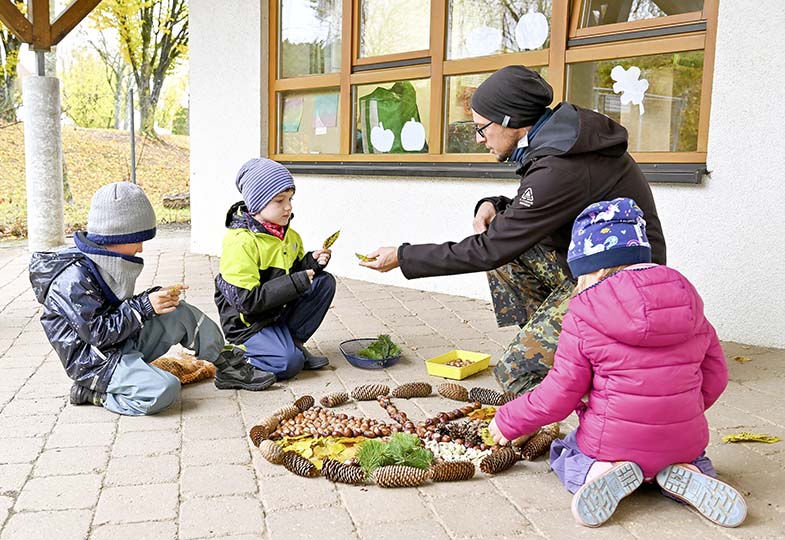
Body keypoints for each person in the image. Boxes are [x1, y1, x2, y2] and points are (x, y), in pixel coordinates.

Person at [361, 65, 666, 395]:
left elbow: (491, 248)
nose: (479, 139)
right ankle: (562, 347)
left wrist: (403, 256)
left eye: (482, 129)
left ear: (510, 120)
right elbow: (537, 210)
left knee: (515, 371)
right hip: (598, 266)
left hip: (624, 288)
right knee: (508, 249)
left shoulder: (561, 165)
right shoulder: (560, 141)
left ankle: (555, 406)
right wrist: (492, 203)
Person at [487, 198, 746, 528]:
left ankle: (600, 471)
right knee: (693, 455)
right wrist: (687, 407)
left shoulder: (584, 311)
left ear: (594, 268)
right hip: (684, 439)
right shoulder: (687, 298)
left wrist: (510, 419)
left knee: (564, 452)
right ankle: (689, 472)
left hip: (610, 441)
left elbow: (561, 392)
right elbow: (716, 374)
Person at [30, 182, 272, 417]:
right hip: (94, 362)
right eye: (138, 239)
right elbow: (97, 333)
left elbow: (116, 310)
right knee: (164, 391)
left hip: (120, 342)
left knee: (177, 310)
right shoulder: (72, 278)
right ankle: (93, 393)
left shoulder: (100, 262)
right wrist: (143, 307)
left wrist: (153, 299)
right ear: (118, 235)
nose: (141, 249)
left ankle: (226, 365)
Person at [214, 158, 336, 380]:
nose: (288, 207)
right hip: (249, 324)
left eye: (290, 199)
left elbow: (293, 273)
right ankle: (235, 359)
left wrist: (310, 264)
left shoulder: (290, 236)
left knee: (323, 282)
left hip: (275, 313)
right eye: (279, 200)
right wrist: (297, 282)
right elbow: (246, 301)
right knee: (289, 364)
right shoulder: (241, 242)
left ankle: (293, 343)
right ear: (257, 203)